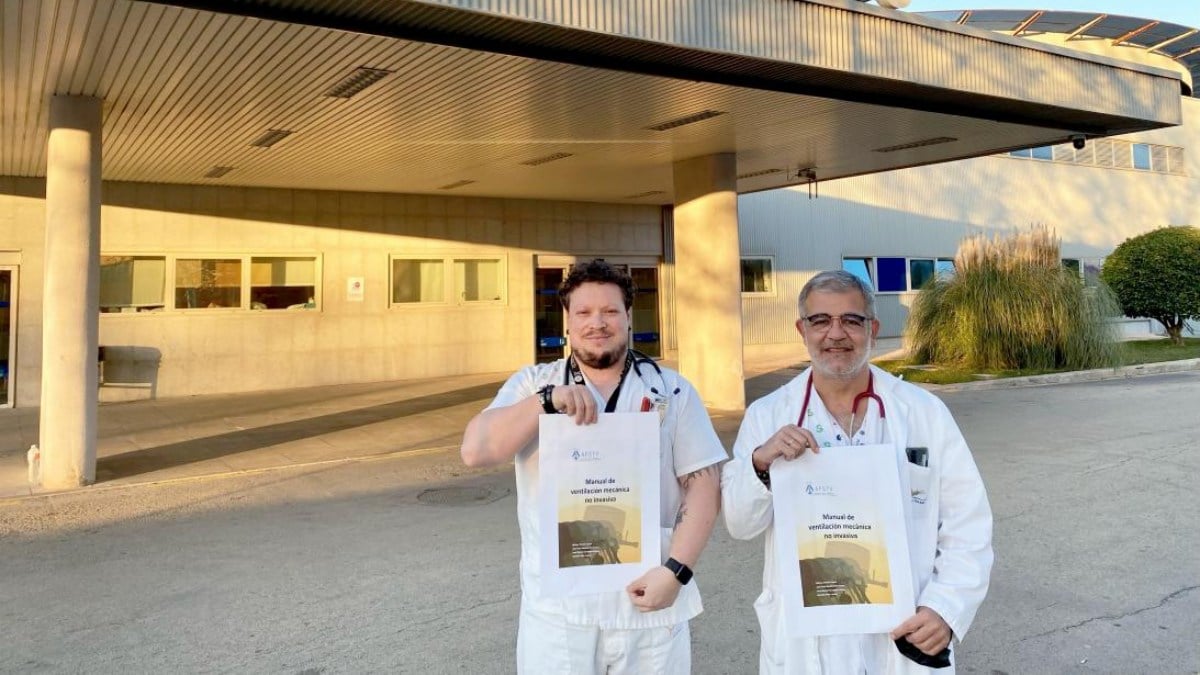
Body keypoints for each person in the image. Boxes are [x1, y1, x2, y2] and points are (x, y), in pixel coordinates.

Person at [721, 270, 993, 674]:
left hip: (903, 628)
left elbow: (967, 524)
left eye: (851, 320)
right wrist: (760, 465)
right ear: (802, 329)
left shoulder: (922, 412)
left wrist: (945, 608)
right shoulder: (768, 416)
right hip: (808, 641)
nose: (836, 334)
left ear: (873, 328)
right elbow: (740, 524)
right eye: (820, 321)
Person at [461, 259, 725, 674]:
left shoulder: (670, 389)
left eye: (609, 311)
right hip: (559, 612)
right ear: (566, 321)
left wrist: (677, 571)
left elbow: (704, 483)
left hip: (647, 602)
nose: (596, 323)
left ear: (627, 317)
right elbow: (476, 451)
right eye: (583, 312)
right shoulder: (534, 383)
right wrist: (545, 403)